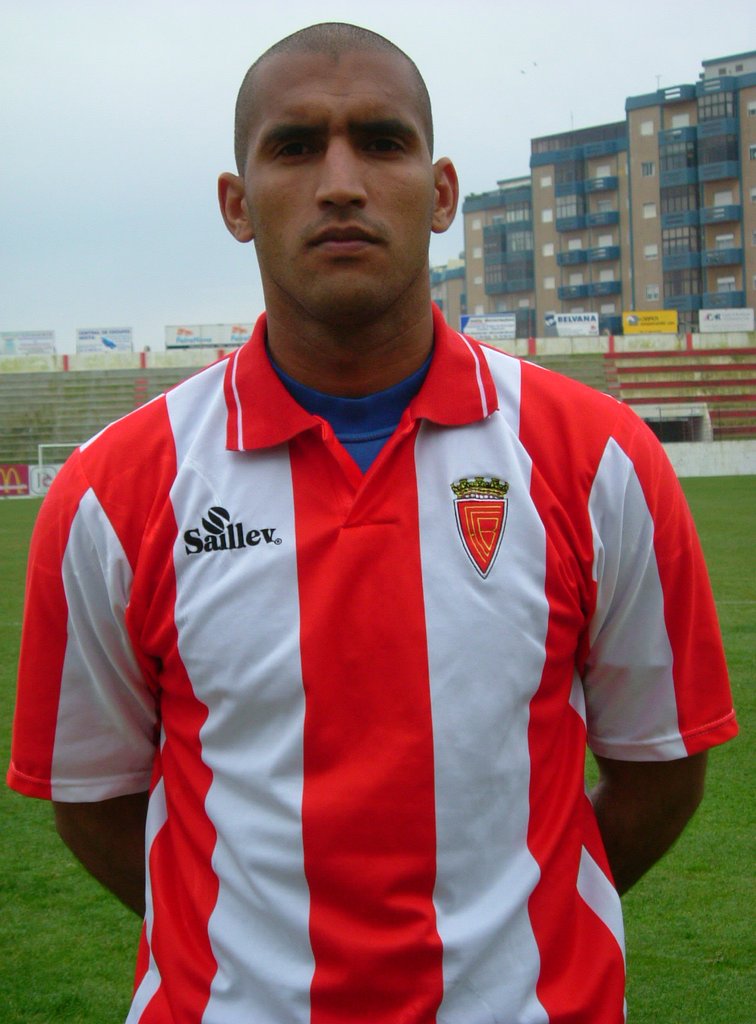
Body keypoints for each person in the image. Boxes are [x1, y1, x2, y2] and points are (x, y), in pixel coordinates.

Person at [8, 22, 737, 1024]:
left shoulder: (599, 458)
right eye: (296, 146)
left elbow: (662, 767)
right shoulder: (113, 492)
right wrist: (246, 939)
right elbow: (92, 796)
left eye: (382, 143)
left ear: (440, 194)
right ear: (237, 203)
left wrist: (515, 927)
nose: (341, 183)